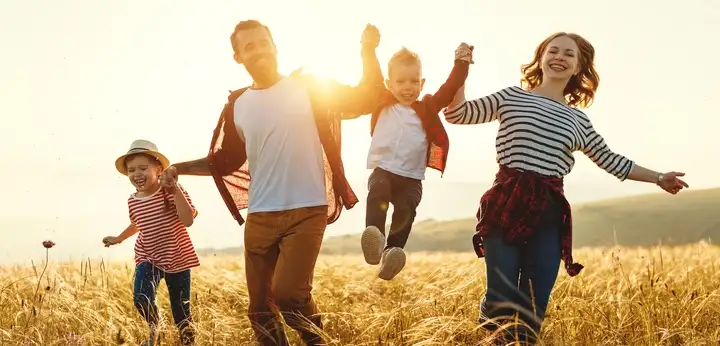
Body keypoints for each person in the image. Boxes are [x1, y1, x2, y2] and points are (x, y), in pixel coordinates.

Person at [443, 35, 689, 344]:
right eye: (553, 50)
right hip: (506, 201)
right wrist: (461, 68)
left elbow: (611, 160)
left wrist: (658, 177)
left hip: (548, 211)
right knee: (501, 295)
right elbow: (457, 114)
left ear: (578, 67)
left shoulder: (578, 120)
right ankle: (492, 331)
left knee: (533, 301)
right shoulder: (511, 97)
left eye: (568, 54)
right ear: (541, 58)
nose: (559, 57)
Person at [158, 20, 385, 346]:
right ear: (238, 57)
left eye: (263, 42)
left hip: (306, 211)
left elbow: (365, 99)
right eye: (249, 46)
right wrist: (179, 167)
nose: (258, 49)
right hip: (260, 216)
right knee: (260, 311)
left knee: (290, 294)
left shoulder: (310, 88)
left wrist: (368, 52)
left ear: (275, 46)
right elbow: (225, 161)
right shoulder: (238, 104)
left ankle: (318, 341)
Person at [360, 43, 473, 280]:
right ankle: (375, 237)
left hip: (411, 178)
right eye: (400, 82)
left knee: (406, 209)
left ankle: (391, 252)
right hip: (384, 170)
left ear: (422, 84)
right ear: (390, 84)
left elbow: (450, 87)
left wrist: (461, 62)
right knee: (377, 193)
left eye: (414, 81)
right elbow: (372, 74)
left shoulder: (428, 107)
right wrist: (368, 48)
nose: (407, 87)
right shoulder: (383, 100)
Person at [103, 139, 199, 346]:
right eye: (131, 170)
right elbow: (137, 224)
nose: (136, 174)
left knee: (181, 310)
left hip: (178, 259)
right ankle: (156, 330)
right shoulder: (133, 200)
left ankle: (188, 341)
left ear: (159, 169)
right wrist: (119, 238)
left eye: (143, 168)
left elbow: (188, 220)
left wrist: (175, 190)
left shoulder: (170, 191)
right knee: (141, 298)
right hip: (148, 258)